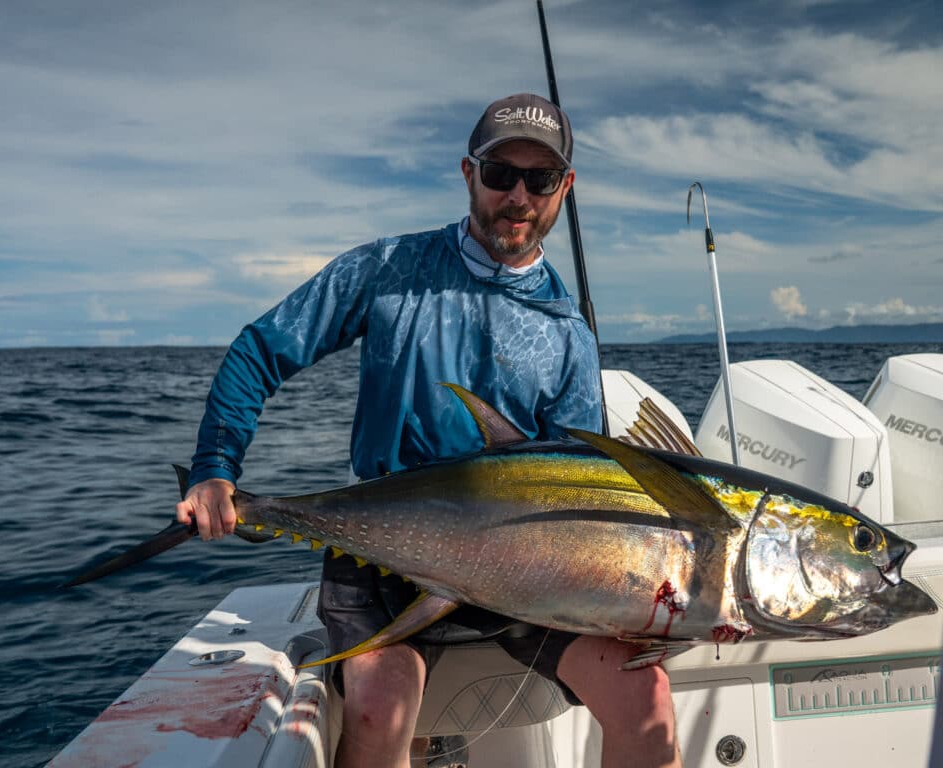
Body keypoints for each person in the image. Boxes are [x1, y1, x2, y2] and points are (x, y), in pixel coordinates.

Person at [176, 93, 681, 768]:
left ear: (566, 187)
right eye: (501, 174)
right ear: (468, 174)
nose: (519, 197)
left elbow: (575, 490)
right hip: (387, 545)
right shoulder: (390, 272)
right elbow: (262, 349)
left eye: (540, 179)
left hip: (520, 562)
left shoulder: (567, 334)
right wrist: (216, 467)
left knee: (646, 707)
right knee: (381, 708)